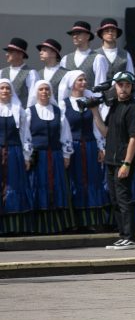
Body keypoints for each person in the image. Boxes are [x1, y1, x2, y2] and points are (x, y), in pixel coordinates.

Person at [90, 71, 135, 249]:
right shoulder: (113, 106)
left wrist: (127, 163)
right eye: (120, 85)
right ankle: (123, 235)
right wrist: (95, 111)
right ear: (115, 87)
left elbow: (134, 137)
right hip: (111, 159)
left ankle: (130, 237)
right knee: (114, 198)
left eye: (127, 85)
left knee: (123, 197)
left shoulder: (133, 107)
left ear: (131, 87)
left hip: (123, 160)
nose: (123, 88)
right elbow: (106, 132)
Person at [58, 70, 108, 230]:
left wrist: (101, 147)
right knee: (75, 180)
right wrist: (66, 151)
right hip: (73, 147)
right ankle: (76, 221)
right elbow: (62, 129)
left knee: (92, 180)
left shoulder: (90, 101)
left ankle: (92, 220)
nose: (84, 83)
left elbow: (95, 124)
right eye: (80, 80)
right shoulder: (63, 103)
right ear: (72, 83)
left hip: (90, 145)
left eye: (85, 79)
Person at [25, 79, 74, 233]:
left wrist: (66, 154)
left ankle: (58, 226)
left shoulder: (58, 112)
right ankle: (39, 227)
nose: (44, 92)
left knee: (56, 186)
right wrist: (27, 155)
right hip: (38, 158)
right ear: (36, 92)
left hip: (56, 155)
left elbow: (66, 134)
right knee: (38, 186)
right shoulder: (29, 112)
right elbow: (25, 135)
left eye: (47, 89)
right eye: (41, 89)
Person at [0, 78, 31, 233]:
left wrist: (26, 156)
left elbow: (25, 134)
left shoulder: (19, 110)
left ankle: (14, 227)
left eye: (7, 88)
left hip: (14, 152)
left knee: (14, 185)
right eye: (2, 88)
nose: (5, 91)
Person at [92, 19, 134, 86]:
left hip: (121, 94)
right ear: (102, 34)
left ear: (117, 34)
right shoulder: (94, 55)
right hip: (99, 93)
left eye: (113, 31)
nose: (110, 33)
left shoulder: (125, 54)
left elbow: (131, 76)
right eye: (106, 31)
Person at [1, 37, 37, 107]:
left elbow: (33, 97)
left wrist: (28, 114)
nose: (6, 54)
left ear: (20, 54)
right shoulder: (1, 72)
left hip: (22, 114)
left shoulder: (31, 73)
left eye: (10, 52)